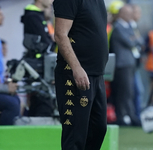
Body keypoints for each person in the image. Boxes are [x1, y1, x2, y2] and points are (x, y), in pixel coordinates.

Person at [53, 0, 108, 149]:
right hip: (75, 75)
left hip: (96, 75)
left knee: (98, 129)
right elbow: (60, 35)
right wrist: (76, 68)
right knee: (75, 135)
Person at [109, 5, 140, 126]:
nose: (130, 15)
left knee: (129, 92)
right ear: (121, 14)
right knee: (124, 92)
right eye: (128, 13)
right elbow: (131, 41)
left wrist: (135, 39)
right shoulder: (118, 27)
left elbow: (138, 40)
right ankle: (123, 116)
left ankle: (129, 115)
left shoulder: (128, 26)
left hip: (129, 63)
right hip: (122, 64)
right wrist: (134, 39)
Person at [130, 4, 145, 119]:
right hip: (129, 64)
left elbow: (139, 42)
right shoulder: (128, 26)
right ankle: (135, 115)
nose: (139, 15)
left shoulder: (135, 26)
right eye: (136, 12)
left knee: (138, 90)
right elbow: (133, 42)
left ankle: (137, 114)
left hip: (136, 63)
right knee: (137, 90)